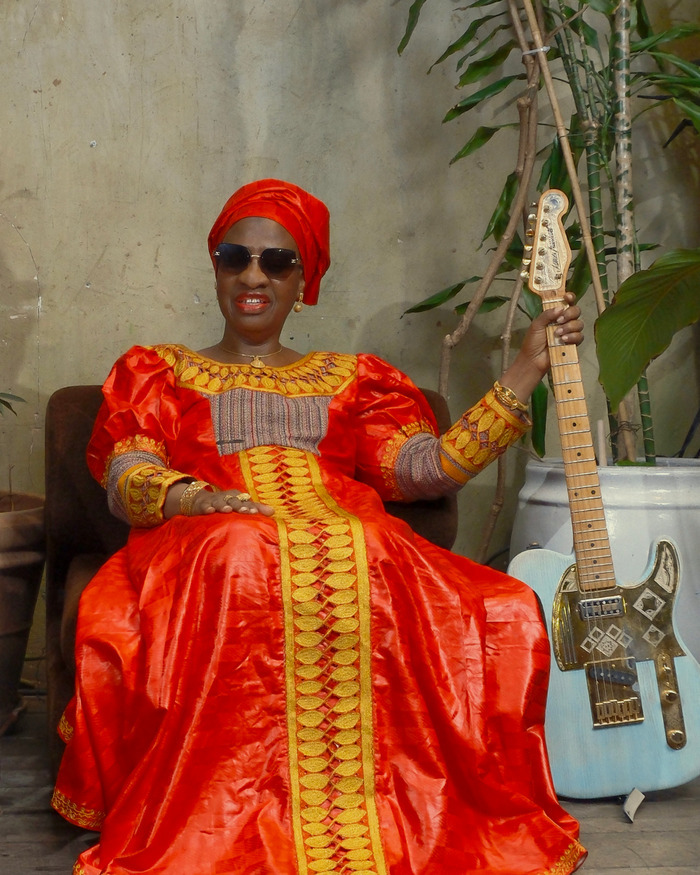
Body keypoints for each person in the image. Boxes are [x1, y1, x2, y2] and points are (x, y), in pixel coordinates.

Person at [53, 179, 587, 874]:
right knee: (242, 546)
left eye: (276, 263)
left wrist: (525, 367)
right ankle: (224, 825)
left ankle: (380, 819)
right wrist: (192, 499)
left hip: (351, 540)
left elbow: (424, 470)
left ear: (304, 279)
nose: (253, 275)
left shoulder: (353, 379)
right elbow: (127, 473)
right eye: (234, 256)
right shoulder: (160, 370)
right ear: (214, 265)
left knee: (490, 603)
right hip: (206, 540)